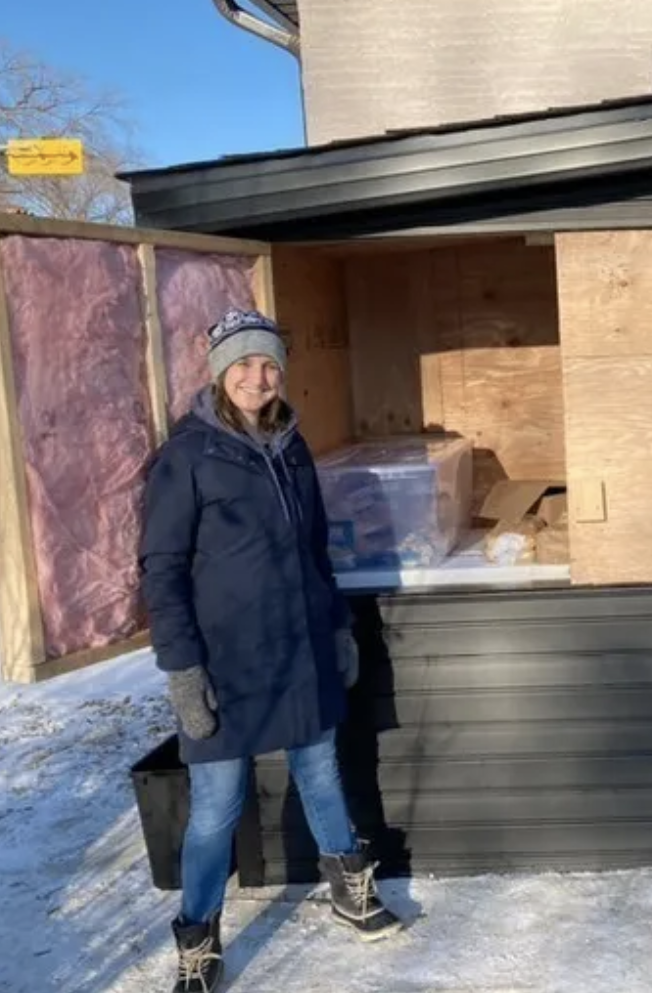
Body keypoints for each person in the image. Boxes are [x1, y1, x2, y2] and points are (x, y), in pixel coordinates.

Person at [140, 309, 402, 993]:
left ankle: (349, 887)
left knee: (321, 777)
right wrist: (182, 671)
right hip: (228, 665)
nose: (259, 377)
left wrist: (337, 625)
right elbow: (161, 571)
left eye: (269, 364)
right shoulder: (186, 456)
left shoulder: (292, 445)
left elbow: (315, 550)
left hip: (301, 647)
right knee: (219, 809)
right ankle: (198, 938)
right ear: (221, 375)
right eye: (244, 365)